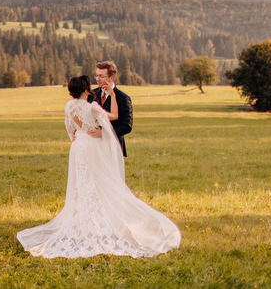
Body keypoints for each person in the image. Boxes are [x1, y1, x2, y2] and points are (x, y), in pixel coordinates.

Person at [16, 75, 180, 258]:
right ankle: (99, 223)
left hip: (78, 147)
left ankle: (81, 222)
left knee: (80, 184)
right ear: (86, 89)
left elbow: (70, 128)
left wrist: (76, 139)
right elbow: (115, 117)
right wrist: (113, 97)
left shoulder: (69, 106)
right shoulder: (92, 107)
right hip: (92, 146)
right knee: (98, 181)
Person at [90, 60, 132, 157]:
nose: (97, 79)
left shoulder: (123, 98)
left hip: (114, 148)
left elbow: (127, 126)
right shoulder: (91, 94)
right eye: (96, 75)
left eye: (101, 76)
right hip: (94, 148)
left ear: (112, 77)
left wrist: (104, 134)